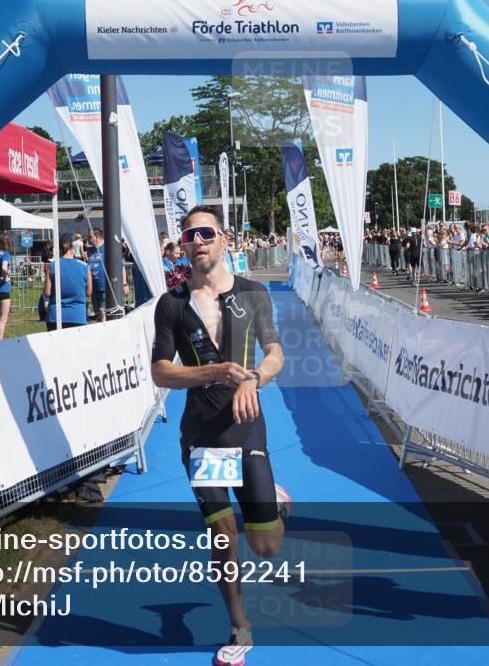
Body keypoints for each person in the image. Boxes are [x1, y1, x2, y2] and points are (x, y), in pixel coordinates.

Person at [150, 205, 285, 666]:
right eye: (189, 236)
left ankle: (275, 502)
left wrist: (254, 379)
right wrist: (213, 371)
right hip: (203, 434)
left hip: (246, 429)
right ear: (183, 245)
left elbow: (275, 352)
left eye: (206, 233)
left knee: (265, 546)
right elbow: (160, 371)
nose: (198, 242)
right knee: (223, 534)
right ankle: (239, 626)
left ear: (224, 239)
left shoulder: (254, 293)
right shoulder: (172, 304)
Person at [43, 236, 92, 331]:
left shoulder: (53, 266)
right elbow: (89, 292)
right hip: (77, 315)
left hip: (55, 315)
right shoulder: (85, 266)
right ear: (72, 249)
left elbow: (47, 292)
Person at [87, 229, 108, 322]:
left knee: (103, 312)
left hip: (104, 286)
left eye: (90, 236)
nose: (87, 238)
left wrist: (124, 283)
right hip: (94, 287)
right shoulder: (90, 249)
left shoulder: (107, 248)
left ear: (98, 237)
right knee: (97, 313)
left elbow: (120, 265)